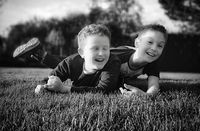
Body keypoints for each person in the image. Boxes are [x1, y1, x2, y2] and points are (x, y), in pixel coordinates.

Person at [13, 24, 168, 97]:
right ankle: (38, 53)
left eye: (160, 45)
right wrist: (48, 85)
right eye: (149, 42)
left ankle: (38, 53)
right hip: (97, 62)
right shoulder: (116, 56)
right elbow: (79, 61)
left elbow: (154, 87)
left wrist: (146, 96)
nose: (154, 49)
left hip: (105, 71)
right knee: (69, 61)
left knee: (71, 62)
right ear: (137, 43)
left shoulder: (152, 63)